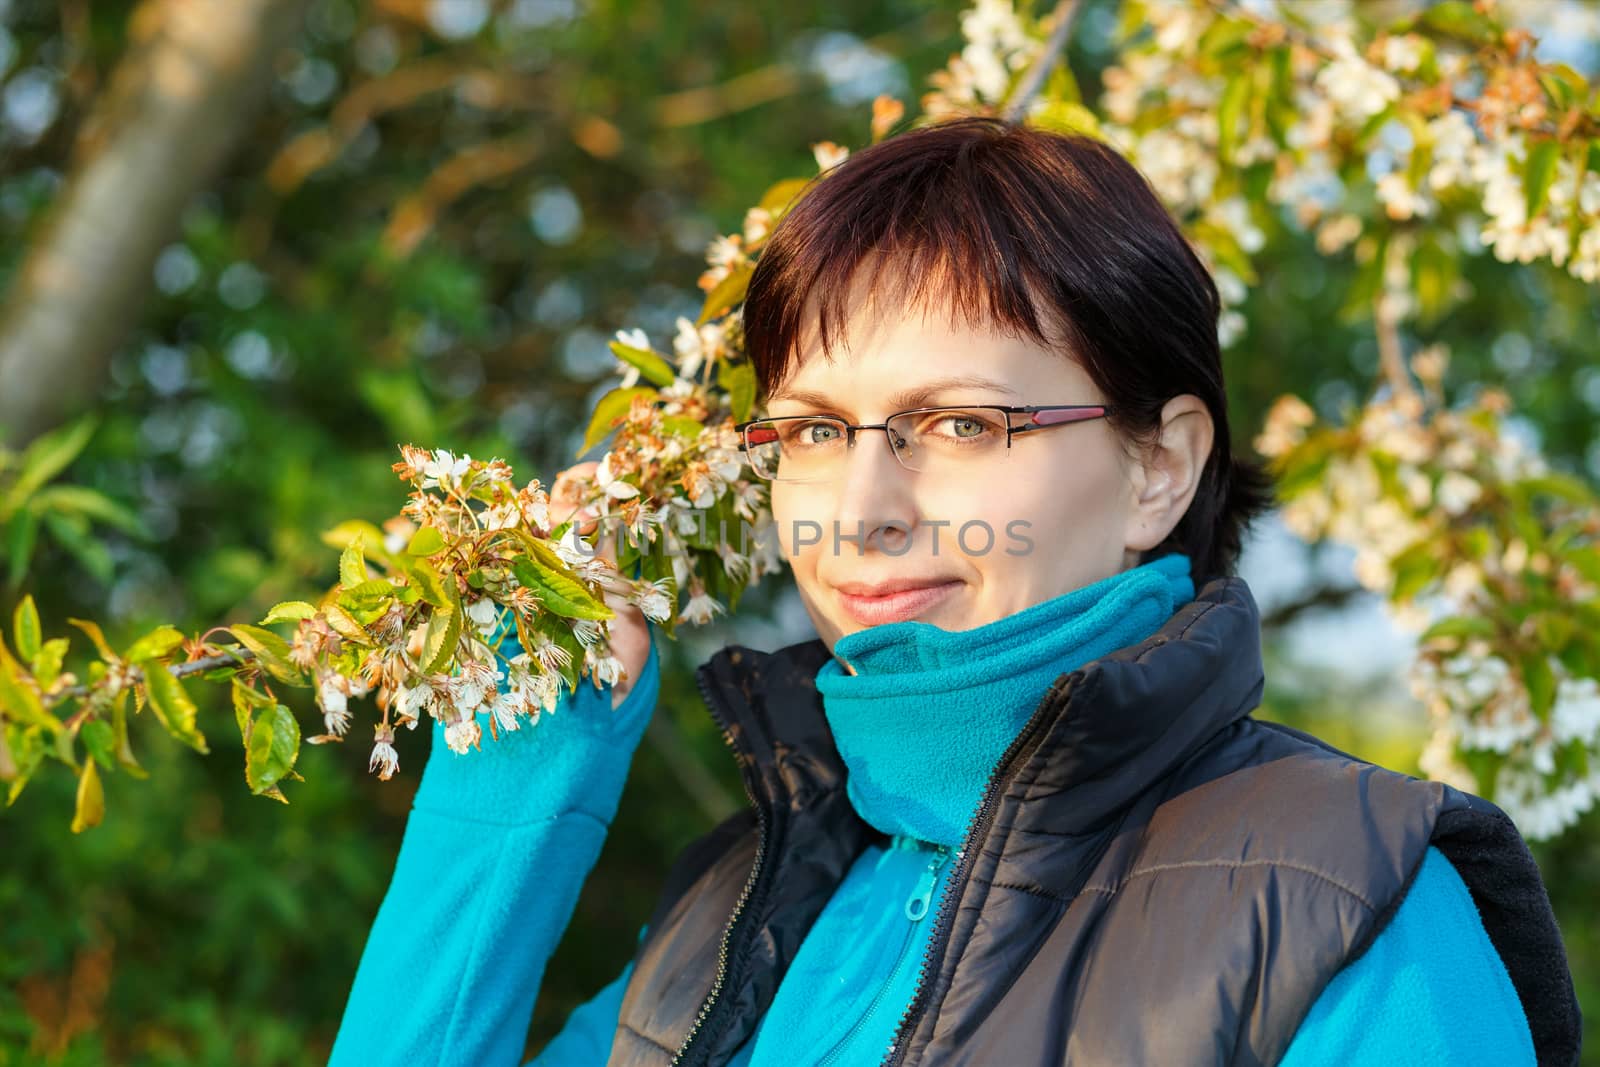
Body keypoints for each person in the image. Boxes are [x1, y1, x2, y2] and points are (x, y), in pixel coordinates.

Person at [329, 117, 1581, 1066]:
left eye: (963, 422)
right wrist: (512, 767)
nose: (864, 508)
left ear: (1159, 467)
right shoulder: (736, 911)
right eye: (813, 431)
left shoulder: (1336, 898)